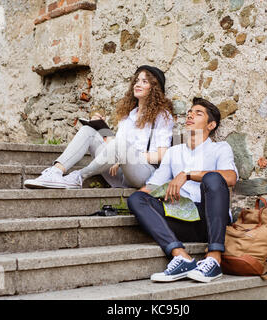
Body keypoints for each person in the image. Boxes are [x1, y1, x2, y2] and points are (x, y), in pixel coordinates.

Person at [127, 97, 239, 283]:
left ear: (211, 125)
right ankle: (181, 257)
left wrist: (187, 174)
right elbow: (153, 186)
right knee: (136, 199)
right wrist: (137, 201)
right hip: (182, 219)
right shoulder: (174, 152)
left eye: (198, 113)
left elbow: (230, 177)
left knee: (213, 178)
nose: (190, 115)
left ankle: (214, 258)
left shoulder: (220, 148)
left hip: (210, 221)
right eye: (189, 112)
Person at [24, 65, 174, 189]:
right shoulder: (128, 115)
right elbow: (114, 145)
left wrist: (126, 156)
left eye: (145, 82)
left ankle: (77, 177)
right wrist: (101, 128)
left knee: (120, 146)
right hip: (119, 172)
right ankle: (55, 172)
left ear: (154, 88)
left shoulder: (162, 116)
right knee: (88, 131)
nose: (138, 84)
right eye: (137, 81)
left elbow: (161, 156)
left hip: (143, 173)